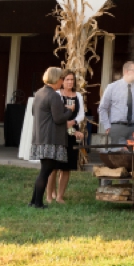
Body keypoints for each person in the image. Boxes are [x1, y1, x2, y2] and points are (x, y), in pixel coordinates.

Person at [29, 67, 81, 208]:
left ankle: (33, 201)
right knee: (46, 172)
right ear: (57, 79)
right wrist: (69, 111)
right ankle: (38, 203)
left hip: (40, 137)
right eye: (62, 79)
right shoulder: (54, 95)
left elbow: (35, 112)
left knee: (43, 171)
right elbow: (58, 119)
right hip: (51, 139)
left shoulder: (39, 93)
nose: (63, 81)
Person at [46, 71, 85, 204]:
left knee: (67, 166)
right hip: (59, 131)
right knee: (54, 166)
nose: (70, 82)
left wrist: (73, 122)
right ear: (62, 81)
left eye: (72, 80)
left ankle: (60, 196)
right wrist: (65, 123)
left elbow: (81, 114)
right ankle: (49, 195)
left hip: (73, 130)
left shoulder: (78, 95)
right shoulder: (57, 94)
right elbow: (55, 113)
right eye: (67, 80)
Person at [98, 60, 134, 144]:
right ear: (127, 71)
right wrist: (107, 126)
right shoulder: (112, 87)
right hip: (118, 128)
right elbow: (103, 108)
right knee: (118, 155)